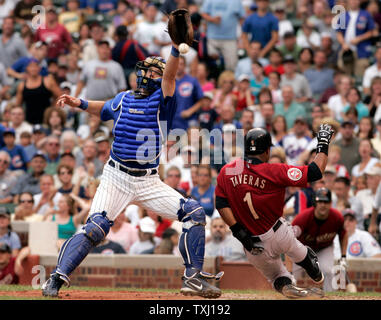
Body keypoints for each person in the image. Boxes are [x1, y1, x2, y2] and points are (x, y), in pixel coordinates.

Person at [41, 25, 222, 299]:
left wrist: (174, 47)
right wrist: (78, 102)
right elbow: (101, 108)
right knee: (95, 228)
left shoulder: (164, 99)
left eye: (152, 71)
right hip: (116, 177)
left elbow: (170, 75)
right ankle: (55, 279)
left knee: (195, 214)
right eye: (146, 70)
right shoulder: (123, 98)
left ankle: (193, 278)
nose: (146, 74)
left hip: (148, 180)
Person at [215, 125, 334, 298]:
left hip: (251, 245)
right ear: (266, 151)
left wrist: (237, 230)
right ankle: (311, 267)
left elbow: (220, 203)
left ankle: (287, 285)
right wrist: (323, 143)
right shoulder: (275, 170)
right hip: (278, 232)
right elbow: (315, 172)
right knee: (297, 250)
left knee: (278, 276)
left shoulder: (227, 171)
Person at [292, 188, 348, 292]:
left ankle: (329, 296)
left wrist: (343, 256)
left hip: (324, 248)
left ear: (331, 203)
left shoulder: (337, 217)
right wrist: (289, 268)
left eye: (326, 202)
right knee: (291, 276)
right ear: (315, 203)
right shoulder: (302, 218)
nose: (323, 205)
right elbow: (289, 239)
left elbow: (344, 235)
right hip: (301, 249)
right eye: (320, 201)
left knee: (328, 271)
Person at [200, 0, 245, 71]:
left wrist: (239, 35)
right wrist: (212, 19)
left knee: (232, 66)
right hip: (213, 38)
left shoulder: (236, 1)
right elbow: (203, 13)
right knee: (212, 63)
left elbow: (242, 17)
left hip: (230, 38)